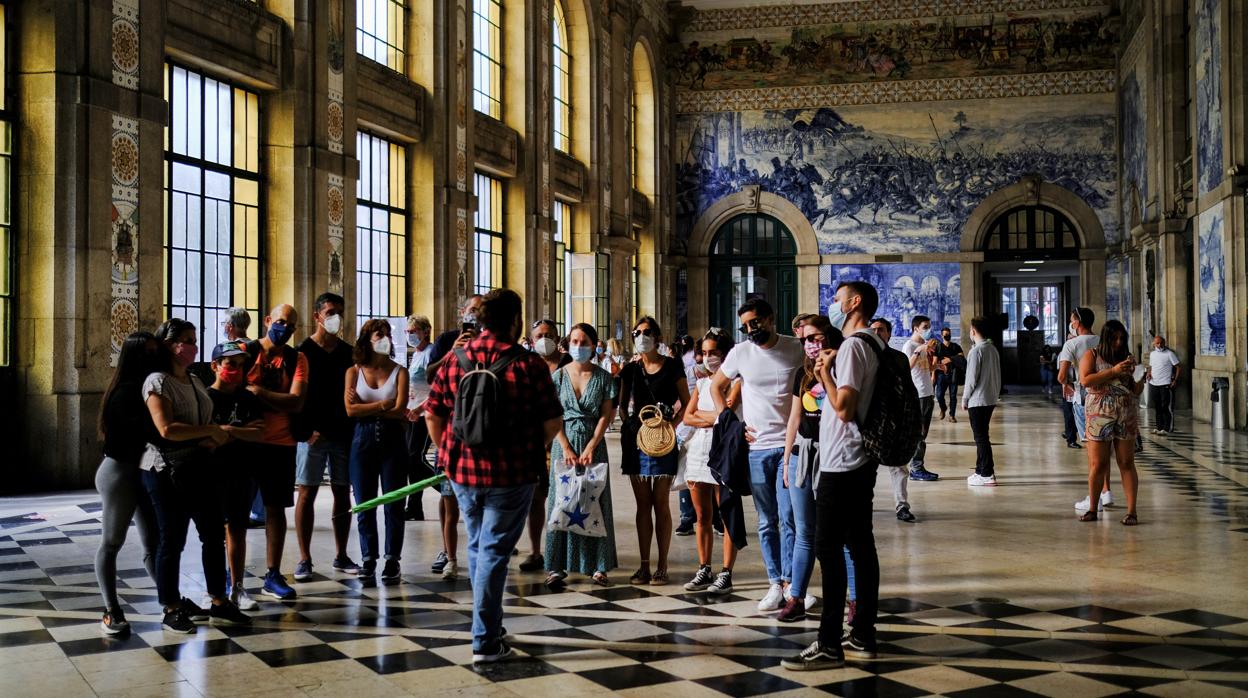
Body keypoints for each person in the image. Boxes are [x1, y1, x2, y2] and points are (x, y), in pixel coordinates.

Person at [425, 289, 563, 663]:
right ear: (516, 321)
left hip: (463, 474)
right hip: (512, 472)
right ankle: (484, 640)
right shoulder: (528, 363)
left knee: (478, 547)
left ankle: (489, 626)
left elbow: (433, 413)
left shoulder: (455, 359)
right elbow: (552, 420)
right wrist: (533, 446)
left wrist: (449, 454)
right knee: (493, 552)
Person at [783, 281, 881, 671]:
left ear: (854, 303)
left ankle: (828, 643)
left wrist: (824, 372)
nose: (834, 306)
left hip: (843, 461)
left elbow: (843, 407)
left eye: (838, 300)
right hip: (856, 460)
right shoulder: (871, 342)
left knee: (829, 547)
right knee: (859, 545)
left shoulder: (855, 346)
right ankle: (862, 633)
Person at [141, 319, 249, 633]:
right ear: (168, 345)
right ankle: (171, 606)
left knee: (213, 535)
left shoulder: (193, 379)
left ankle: (218, 600)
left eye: (194, 339)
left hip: (199, 466)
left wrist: (212, 436)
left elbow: (203, 419)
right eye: (185, 340)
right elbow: (167, 429)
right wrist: (212, 431)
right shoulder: (157, 382)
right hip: (166, 469)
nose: (192, 346)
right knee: (171, 540)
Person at [710, 298, 804, 613]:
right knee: (767, 521)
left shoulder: (795, 348)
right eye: (746, 326)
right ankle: (774, 582)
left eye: (756, 323)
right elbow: (716, 386)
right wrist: (731, 421)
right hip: (757, 448)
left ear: (771, 318)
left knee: (790, 518)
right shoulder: (740, 353)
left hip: (790, 445)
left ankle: (792, 583)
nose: (751, 330)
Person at [95, 332, 162, 635]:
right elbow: (145, 433)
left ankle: (170, 599)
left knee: (153, 545)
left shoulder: (146, 388)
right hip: (119, 474)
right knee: (111, 543)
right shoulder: (124, 392)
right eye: (148, 352)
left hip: (140, 472)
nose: (153, 357)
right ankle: (111, 610)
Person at [777, 315, 841, 622]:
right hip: (805, 454)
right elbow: (793, 418)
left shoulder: (843, 367)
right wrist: (787, 459)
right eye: (805, 340)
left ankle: (852, 600)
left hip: (834, 455)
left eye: (815, 337)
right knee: (804, 531)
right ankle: (797, 597)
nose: (810, 344)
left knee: (839, 534)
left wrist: (826, 371)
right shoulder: (801, 375)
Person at [545, 323, 618, 587]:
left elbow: (605, 415)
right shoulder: (558, 377)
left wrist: (590, 446)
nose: (578, 346)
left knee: (594, 500)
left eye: (584, 341)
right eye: (574, 341)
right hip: (562, 443)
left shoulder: (603, 377)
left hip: (593, 444)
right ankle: (555, 566)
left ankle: (598, 565)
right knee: (560, 500)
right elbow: (552, 415)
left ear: (594, 344)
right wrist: (565, 445)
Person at [619, 316, 691, 586]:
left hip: (663, 441)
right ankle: (644, 565)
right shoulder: (630, 369)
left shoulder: (672, 367)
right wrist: (633, 427)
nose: (641, 336)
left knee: (660, 502)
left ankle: (662, 565)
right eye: (637, 332)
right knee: (642, 505)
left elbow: (685, 402)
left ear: (658, 337)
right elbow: (622, 405)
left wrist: (669, 427)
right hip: (635, 442)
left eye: (647, 332)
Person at [244, 304, 309, 600]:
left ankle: (272, 574)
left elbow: (296, 402)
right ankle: (232, 578)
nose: (285, 329)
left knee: (275, 509)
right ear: (268, 320)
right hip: (244, 442)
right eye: (281, 322)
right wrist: (277, 399)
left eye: (291, 326)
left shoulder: (298, 358)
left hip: (281, 443)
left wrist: (259, 394)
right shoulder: (245, 352)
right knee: (235, 512)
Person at [293, 293, 359, 583]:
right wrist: (304, 431)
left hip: (342, 433)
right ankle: (304, 558)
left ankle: (341, 554)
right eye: (331, 312)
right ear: (317, 316)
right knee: (307, 492)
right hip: (312, 435)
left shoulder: (348, 352)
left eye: (340, 312)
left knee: (342, 494)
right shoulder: (302, 351)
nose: (336, 318)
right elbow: (295, 396)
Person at [345, 319, 411, 581]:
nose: (384, 337)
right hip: (362, 441)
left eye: (386, 334)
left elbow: (400, 410)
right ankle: (368, 557)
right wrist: (384, 405)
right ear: (366, 339)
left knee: (395, 503)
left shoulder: (400, 372)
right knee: (365, 503)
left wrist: (367, 406)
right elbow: (350, 410)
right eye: (378, 334)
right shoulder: (353, 372)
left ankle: (392, 559)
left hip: (393, 441)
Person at [204, 340, 268, 611]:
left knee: (238, 530)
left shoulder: (247, 398)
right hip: (213, 471)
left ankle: (237, 585)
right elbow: (205, 435)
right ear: (215, 366)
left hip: (243, 470)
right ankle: (215, 589)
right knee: (212, 533)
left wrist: (226, 430)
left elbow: (259, 432)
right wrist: (237, 430)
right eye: (231, 364)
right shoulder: (205, 397)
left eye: (241, 365)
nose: (236, 370)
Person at [682, 328, 742, 595]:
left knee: (726, 512)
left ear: (725, 354)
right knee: (702, 515)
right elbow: (687, 417)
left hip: (723, 451)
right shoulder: (704, 384)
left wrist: (711, 417)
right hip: (698, 450)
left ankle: (726, 571)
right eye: (704, 353)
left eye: (713, 353)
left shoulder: (737, 381)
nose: (708, 358)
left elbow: (728, 413)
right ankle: (704, 567)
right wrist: (714, 418)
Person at [1078, 320, 1143, 525]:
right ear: (1106, 338)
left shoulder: (1126, 358)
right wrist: (1113, 372)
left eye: (1121, 339)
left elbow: (1134, 389)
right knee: (1099, 463)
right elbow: (1085, 380)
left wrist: (1140, 378)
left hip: (1125, 412)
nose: (1118, 342)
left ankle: (1132, 512)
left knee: (1126, 462)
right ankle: (1092, 509)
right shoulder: (1092, 355)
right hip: (1099, 412)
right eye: (1114, 338)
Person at [520, 319, 569, 573]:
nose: (544, 338)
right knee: (537, 496)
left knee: (564, 496)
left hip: (565, 437)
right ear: (531, 338)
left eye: (549, 334)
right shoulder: (527, 364)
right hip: (536, 438)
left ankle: (561, 550)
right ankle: (535, 550)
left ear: (558, 338)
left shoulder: (568, 363)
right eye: (539, 335)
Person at [1059, 308, 1113, 513]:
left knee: (1092, 450)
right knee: (1104, 447)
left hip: (1084, 399)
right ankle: (1107, 492)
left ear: (1078, 322)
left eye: (1072, 320)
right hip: (1106, 399)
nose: (1071, 323)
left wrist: (1067, 384)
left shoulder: (1072, 344)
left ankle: (1095, 497)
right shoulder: (1102, 341)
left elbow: (1062, 375)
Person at [869, 318, 917, 523]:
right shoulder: (863, 355)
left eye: (881, 330)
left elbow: (908, 390)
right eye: (873, 330)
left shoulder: (898, 358)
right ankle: (864, 504)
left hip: (893, 420)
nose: (877, 333)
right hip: (869, 421)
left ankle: (902, 505)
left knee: (898, 467)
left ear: (889, 333)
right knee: (865, 469)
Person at [963, 317, 1002, 486]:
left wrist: (964, 398)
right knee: (982, 436)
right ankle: (980, 470)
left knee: (980, 438)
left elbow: (971, 378)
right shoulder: (992, 349)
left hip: (977, 400)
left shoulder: (976, 351)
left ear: (973, 331)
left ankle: (987, 473)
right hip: (990, 398)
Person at [902, 316, 941, 482]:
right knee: (919, 432)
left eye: (929, 326)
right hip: (918, 394)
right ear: (915, 328)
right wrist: (920, 350)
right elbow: (907, 367)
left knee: (923, 433)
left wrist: (938, 366)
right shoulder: (910, 346)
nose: (928, 329)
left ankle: (918, 466)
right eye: (925, 326)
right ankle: (916, 468)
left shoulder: (921, 346)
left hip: (927, 392)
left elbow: (925, 368)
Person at [404, 314, 435, 519]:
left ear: (425, 331)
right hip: (411, 412)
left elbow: (437, 389)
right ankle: (414, 506)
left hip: (425, 414)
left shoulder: (431, 353)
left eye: (413, 331)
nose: (409, 335)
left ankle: (447, 486)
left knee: (416, 457)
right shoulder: (415, 354)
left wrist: (419, 409)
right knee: (411, 460)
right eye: (407, 332)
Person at [1147, 335, 1181, 434]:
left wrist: (1175, 380)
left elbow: (1178, 367)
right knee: (1157, 407)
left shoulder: (1169, 354)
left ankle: (1167, 428)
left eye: (1161, 343)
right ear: (1154, 344)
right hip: (1154, 383)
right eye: (1157, 343)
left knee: (1166, 406)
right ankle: (1159, 427)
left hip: (1165, 383)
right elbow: (1151, 366)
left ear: (1164, 343)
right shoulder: (1152, 354)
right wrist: (1149, 373)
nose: (1159, 345)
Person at [935, 327, 964, 421]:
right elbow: (934, 362)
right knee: (939, 395)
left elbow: (961, 356)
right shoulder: (938, 347)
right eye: (946, 334)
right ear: (941, 336)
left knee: (953, 396)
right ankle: (943, 408)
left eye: (949, 334)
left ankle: (952, 415)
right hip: (941, 375)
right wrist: (940, 367)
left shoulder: (955, 346)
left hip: (953, 374)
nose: (948, 336)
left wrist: (950, 359)